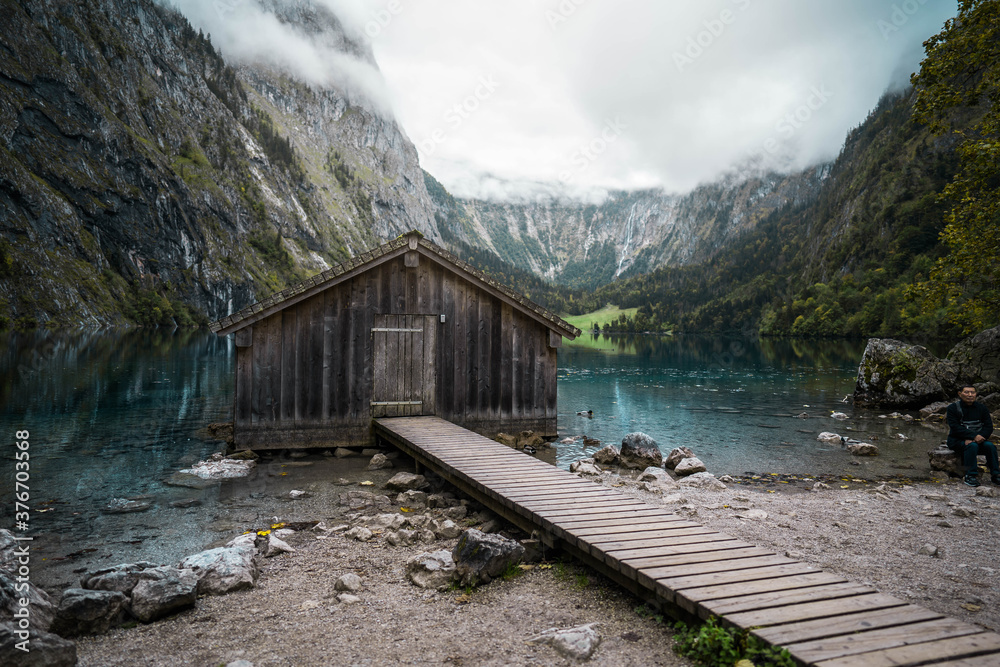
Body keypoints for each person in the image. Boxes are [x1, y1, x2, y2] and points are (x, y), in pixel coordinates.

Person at [946, 384, 1000, 487]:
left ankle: (996, 475)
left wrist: (978, 438)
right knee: (972, 446)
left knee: (990, 446)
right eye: (967, 392)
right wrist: (973, 437)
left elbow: (988, 427)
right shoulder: (952, 408)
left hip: (978, 440)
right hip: (957, 440)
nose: (970, 395)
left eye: (973, 392)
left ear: (976, 394)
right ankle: (970, 476)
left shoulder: (982, 408)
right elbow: (955, 427)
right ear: (960, 394)